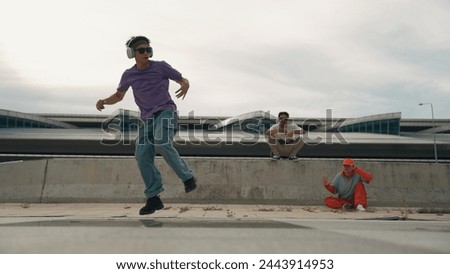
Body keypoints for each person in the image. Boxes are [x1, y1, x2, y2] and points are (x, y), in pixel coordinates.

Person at [96, 36, 197, 215]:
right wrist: (104, 101)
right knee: (141, 154)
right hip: (147, 119)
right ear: (132, 54)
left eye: (148, 50)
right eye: (141, 50)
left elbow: (182, 79)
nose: (146, 53)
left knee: (162, 143)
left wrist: (185, 84)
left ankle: (188, 178)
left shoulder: (160, 66)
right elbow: (119, 96)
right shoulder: (129, 75)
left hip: (166, 112)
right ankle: (153, 198)